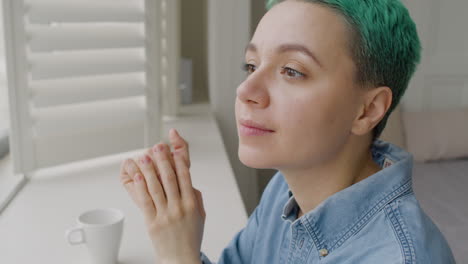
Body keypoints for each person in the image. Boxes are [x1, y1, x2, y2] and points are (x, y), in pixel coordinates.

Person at [120, 0, 456, 263]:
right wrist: (174, 227)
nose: (246, 89)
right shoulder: (285, 187)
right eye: (251, 65)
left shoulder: (399, 257)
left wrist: (176, 256)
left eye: (292, 71)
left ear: (366, 110)